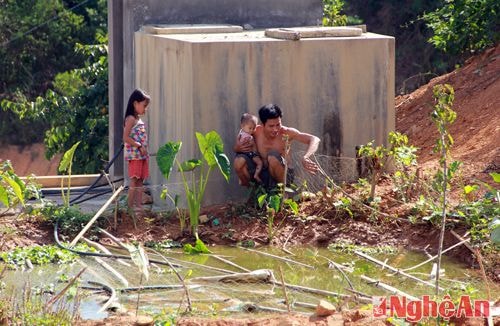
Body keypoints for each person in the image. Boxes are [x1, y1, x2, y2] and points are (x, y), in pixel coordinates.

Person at [234, 104, 320, 189]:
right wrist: (237, 148)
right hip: (263, 173)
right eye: (271, 126)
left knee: (272, 157)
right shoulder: (255, 132)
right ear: (262, 124)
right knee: (239, 161)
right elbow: (237, 147)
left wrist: (306, 156)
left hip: (284, 176)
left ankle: (283, 192)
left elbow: (314, 139)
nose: (275, 129)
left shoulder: (286, 132)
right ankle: (254, 190)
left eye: (278, 124)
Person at [123, 88, 151, 214]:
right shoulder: (130, 119)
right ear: (135, 104)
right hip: (135, 156)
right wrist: (139, 146)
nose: (145, 109)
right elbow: (125, 137)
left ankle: (139, 208)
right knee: (134, 180)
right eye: (144, 106)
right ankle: (129, 208)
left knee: (140, 181)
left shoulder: (138, 120)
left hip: (141, 156)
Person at [235, 113, 263, 183]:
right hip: (250, 153)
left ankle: (245, 180)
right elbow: (252, 146)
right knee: (260, 163)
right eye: (250, 128)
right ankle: (256, 175)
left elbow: (237, 144)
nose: (251, 130)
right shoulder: (249, 137)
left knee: (244, 168)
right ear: (242, 126)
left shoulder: (240, 134)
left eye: (253, 128)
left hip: (243, 154)